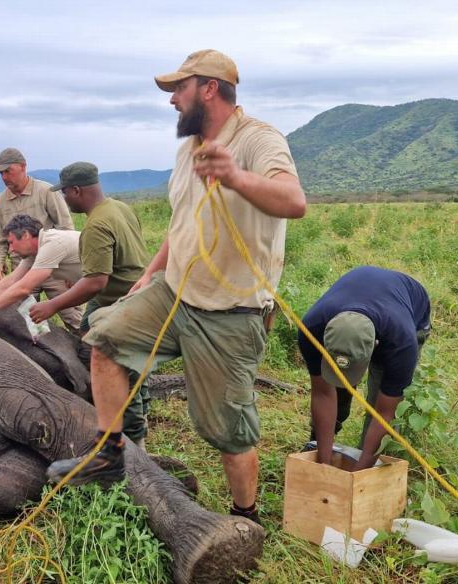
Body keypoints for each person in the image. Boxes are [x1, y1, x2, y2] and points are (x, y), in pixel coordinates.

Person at [47, 49, 306, 527]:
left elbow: (293, 201)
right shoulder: (189, 151)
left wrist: (233, 175)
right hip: (176, 292)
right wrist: (150, 273)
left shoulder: (258, 141)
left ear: (210, 88)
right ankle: (109, 454)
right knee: (104, 338)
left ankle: (244, 516)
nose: (171, 102)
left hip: (231, 309)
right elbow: (182, 221)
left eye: (178, 91)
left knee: (228, 429)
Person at [27, 162, 153, 447]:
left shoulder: (96, 224)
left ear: (76, 190)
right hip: (139, 300)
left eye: (65, 194)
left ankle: (134, 448)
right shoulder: (120, 208)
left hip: (123, 308)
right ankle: (138, 416)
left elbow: (97, 281)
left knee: (120, 375)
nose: (64, 200)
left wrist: (53, 305)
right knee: (133, 370)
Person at [298, 266, 432, 471]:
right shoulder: (312, 328)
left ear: (375, 346)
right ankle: (319, 444)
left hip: (409, 311)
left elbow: (384, 413)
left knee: (379, 398)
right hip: (365, 306)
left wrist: (358, 476)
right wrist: (323, 465)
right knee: (338, 387)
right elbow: (323, 394)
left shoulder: (402, 344)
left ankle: (369, 465)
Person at [0, 214, 83, 332]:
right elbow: (10, 281)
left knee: (87, 330)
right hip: (93, 283)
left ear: (25, 235)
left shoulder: (52, 244)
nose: (11, 250)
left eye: (11, 242)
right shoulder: (34, 250)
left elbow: (23, 288)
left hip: (101, 285)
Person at [0, 147, 74, 283]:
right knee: (21, 304)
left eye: (8, 171)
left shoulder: (46, 192)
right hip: (20, 268)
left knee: (65, 302)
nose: (4, 177)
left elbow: (66, 228)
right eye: (1, 173)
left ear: (23, 167)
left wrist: (69, 269)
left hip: (52, 265)